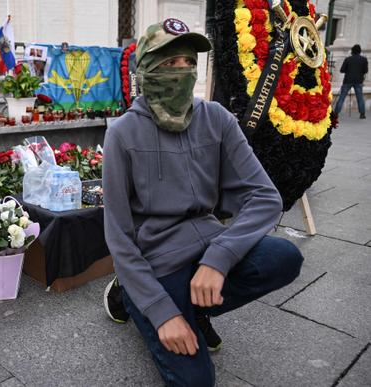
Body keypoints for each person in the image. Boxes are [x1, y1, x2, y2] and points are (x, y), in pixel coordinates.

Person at [102, 18, 304, 386]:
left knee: (284, 258)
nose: (182, 73)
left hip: (207, 245)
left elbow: (265, 197)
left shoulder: (217, 119)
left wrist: (219, 258)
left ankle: (197, 306)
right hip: (157, 266)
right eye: (168, 64)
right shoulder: (122, 134)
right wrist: (163, 313)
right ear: (145, 70)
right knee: (196, 381)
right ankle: (128, 294)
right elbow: (118, 238)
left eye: (189, 63)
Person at [334, 44, 368, 119]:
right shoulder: (364, 59)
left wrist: (349, 70)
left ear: (352, 51)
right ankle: (362, 114)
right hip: (359, 81)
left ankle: (336, 113)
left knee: (342, 97)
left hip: (347, 80)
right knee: (360, 98)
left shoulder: (348, 59)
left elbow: (342, 70)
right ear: (360, 51)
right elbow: (365, 71)